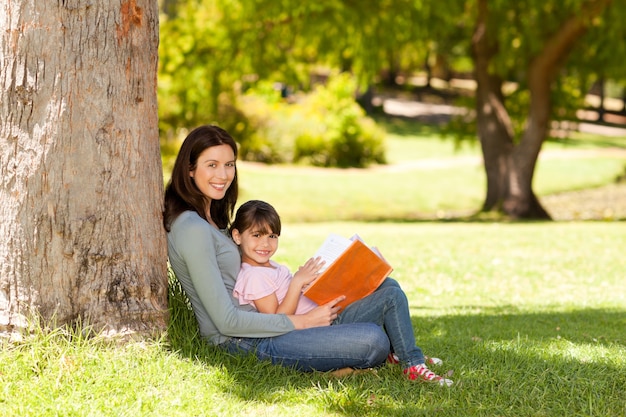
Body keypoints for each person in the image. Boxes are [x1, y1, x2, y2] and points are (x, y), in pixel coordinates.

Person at [164, 124, 452, 386]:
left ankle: (404, 357)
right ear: (190, 169)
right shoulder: (191, 228)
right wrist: (303, 321)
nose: (223, 175)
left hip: (274, 326)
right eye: (211, 165)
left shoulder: (211, 220)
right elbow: (225, 322)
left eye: (229, 164)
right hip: (243, 340)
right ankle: (389, 354)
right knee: (373, 340)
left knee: (386, 287)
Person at [230, 200, 453, 386]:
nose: (266, 244)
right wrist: (297, 283)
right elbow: (275, 322)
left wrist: (315, 283)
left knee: (389, 286)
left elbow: (290, 297)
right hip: (320, 330)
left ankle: (398, 353)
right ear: (238, 236)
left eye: (272, 236)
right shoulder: (253, 275)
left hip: (327, 316)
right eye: (257, 235)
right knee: (392, 298)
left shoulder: (270, 266)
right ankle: (412, 365)